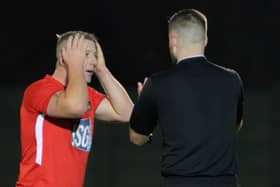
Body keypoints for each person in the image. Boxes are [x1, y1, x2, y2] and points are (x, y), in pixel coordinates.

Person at [129, 9, 244, 187]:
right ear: (205, 39)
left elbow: (137, 138)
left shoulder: (157, 84)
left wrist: (144, 104)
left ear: (173, 40)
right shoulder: (232, 79)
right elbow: (236, 125)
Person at [16, 31, 133, 187]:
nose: (93, 61)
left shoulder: (86, 94)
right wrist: (75, 65)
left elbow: (126, 113)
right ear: (65, 58)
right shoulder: (39, 89)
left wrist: (102, 71)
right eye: (85, 54)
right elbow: (75, 107)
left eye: (95, 55)